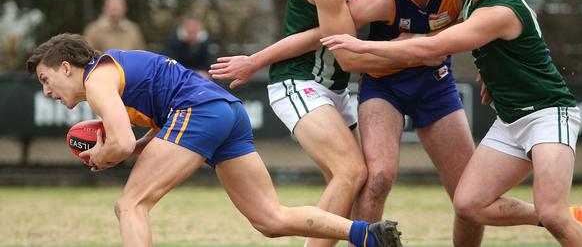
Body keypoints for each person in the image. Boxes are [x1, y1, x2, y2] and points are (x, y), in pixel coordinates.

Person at [321, 0, 582, 246]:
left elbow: (437, 47)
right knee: (464, 203)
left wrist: (364, 45)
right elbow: (330, 24)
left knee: (550, 213)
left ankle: (559, 217)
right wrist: (492, 73)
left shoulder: (490, 5)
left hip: (545, 113)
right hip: (503, 118)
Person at [212, 0, 484, 246]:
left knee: (469, 197)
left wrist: (489, 69)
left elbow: (493, 21)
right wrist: (257, 60)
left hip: (435, 84)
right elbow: (325, 35)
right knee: (375, 177)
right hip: (385, 87)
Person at [26, 33, 403, 247]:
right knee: (270, 219)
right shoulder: (113, 70)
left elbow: (120, 144)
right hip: (225, 110)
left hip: (199, 111)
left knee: (130, 205)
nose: (47, 91)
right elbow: (152, 128)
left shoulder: (96, 79)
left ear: (65, 67)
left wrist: (104, 155)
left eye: (46, 80)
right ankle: (366, 234)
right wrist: (132, 147)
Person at [165, 14, 215, 79]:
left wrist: (205, 73)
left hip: (202, 77)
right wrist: (192, 72)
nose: (192, 29)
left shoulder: (206, 42)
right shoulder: (173, 41)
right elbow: (170, 62)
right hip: (179, 76)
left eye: (195, 27)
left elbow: (210, 63)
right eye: (189, 26)